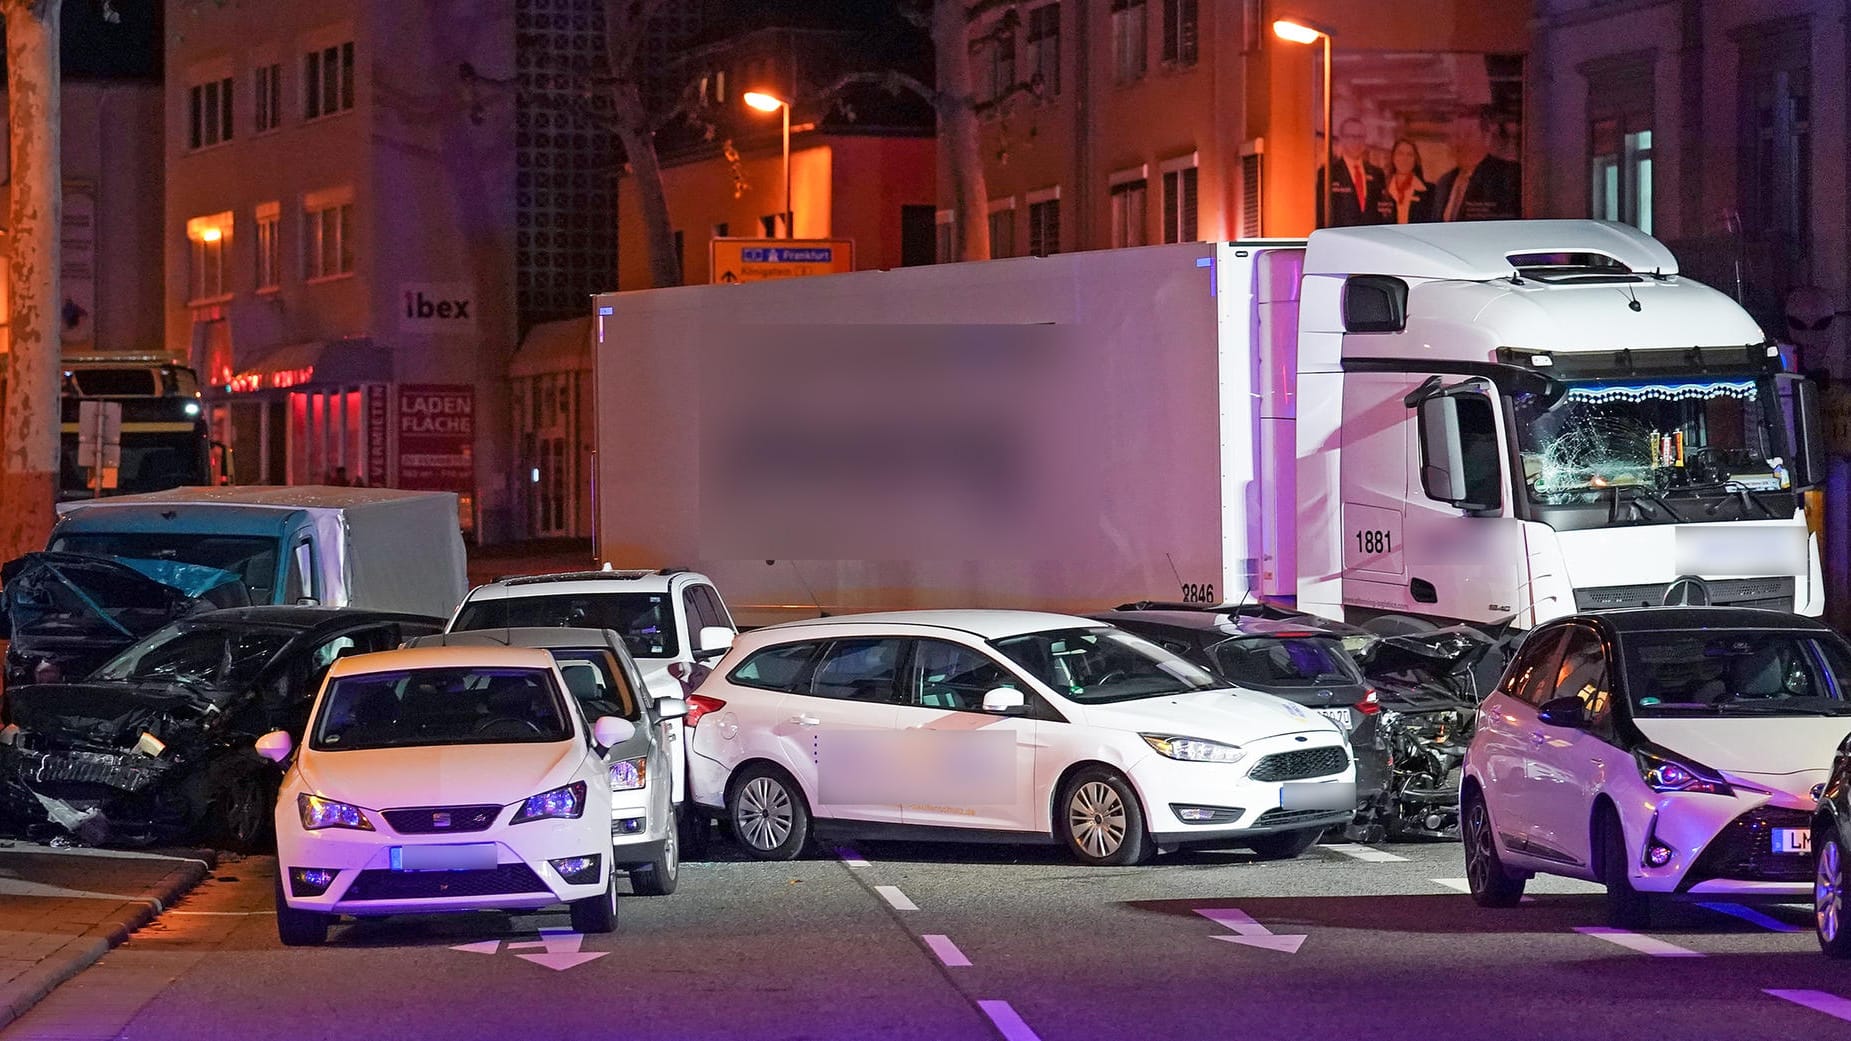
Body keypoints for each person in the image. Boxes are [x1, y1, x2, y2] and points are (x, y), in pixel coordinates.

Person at [1435, 105, 1522, 222]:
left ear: (1486, 137)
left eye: (1467, 135)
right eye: (1455, 136)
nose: (1459, 143)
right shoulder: (1444, 183)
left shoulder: (1507, 176)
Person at [1316, 118, 1385, 227]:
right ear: (1342, 139)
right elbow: (1321, 215)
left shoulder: (1377, 174)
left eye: (1360, 137)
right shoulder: (1328, 174)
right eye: (1351, 137)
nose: (1356, 142)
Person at [1378, 139, 1436, 224]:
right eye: (1400, 153)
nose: (1404, 159)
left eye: (1410, 155)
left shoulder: (1429, 191)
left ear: (1415, 160)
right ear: (1393, 158)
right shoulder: (1380, 189)